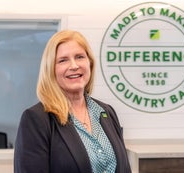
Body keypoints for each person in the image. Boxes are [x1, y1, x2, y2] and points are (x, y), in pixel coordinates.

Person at [14, 30, 131, 173]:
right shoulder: (37, 119)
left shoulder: (106, 112)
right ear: (51, 69)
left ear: (90, 63)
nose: (74, 65)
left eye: (80, 57)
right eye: (63, 60)